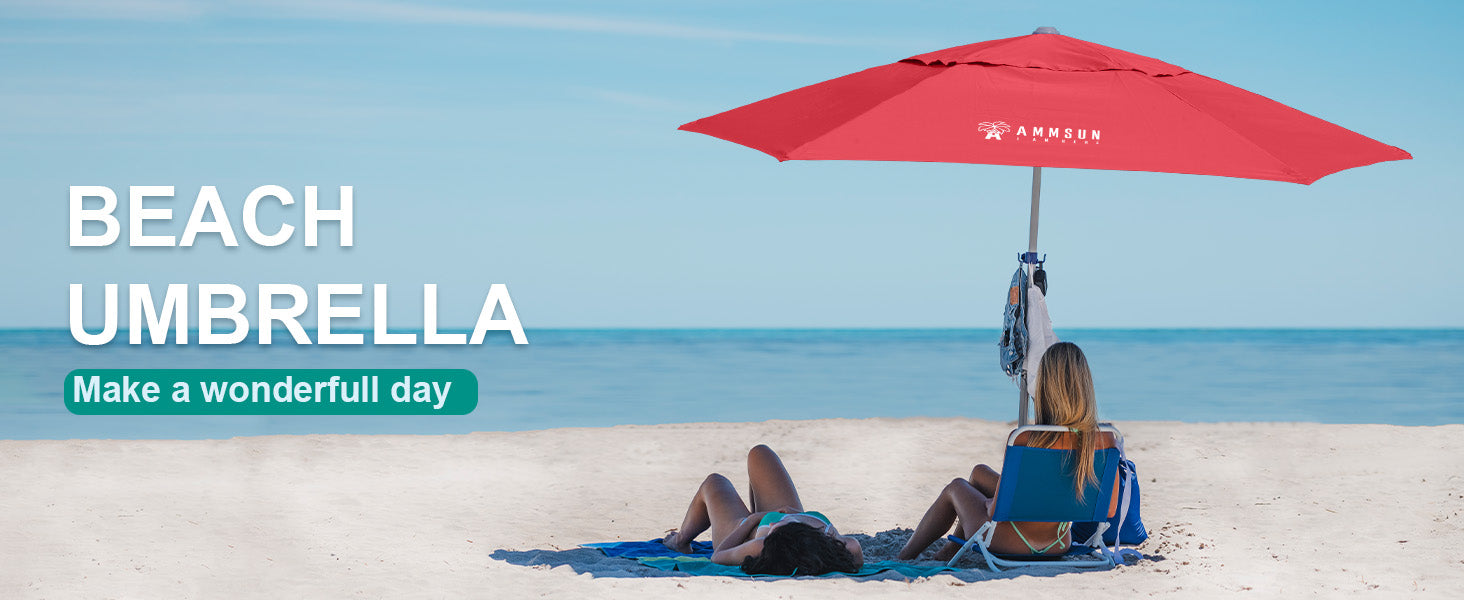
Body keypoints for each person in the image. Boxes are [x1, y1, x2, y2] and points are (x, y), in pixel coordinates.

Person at [896, 341, 1118, 561]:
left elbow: (993, 512)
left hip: (1011, 542)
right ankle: (952, 550)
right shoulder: (1106, 439)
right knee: (979, 473)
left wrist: (988, 502)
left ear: (1045, 387)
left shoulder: (1028, 439)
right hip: (1058, 542)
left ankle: (905, 555)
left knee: (956, 487)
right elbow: (1108, 510)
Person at [661, 444, 863, 575]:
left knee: (715, 482)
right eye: (784, 523)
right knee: (760, 453)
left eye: (774, 528)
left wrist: (752, 520)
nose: (775, 522)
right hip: (791, 524)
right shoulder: (843, 544)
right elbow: (855, 558)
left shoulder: (761, 545)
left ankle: (680, 541)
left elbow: (718, 555)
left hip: (743, 531)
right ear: (808, 532)